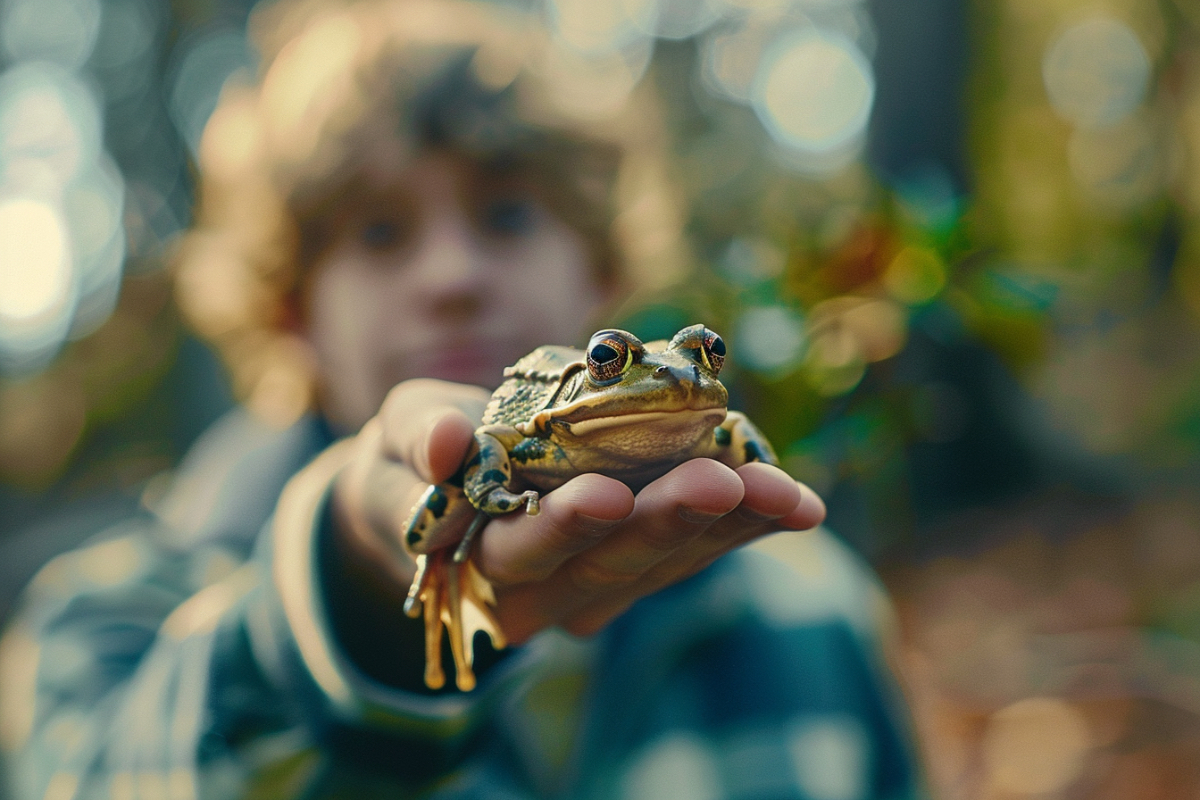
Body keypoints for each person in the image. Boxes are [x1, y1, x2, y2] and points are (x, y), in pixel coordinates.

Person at [0, 1, 922, 797]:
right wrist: (357, 611)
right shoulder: (112, 607)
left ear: (600, 267)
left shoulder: (811, 607)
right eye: (380, 231)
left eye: (508, 215)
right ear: (292, 310)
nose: (452, 276)